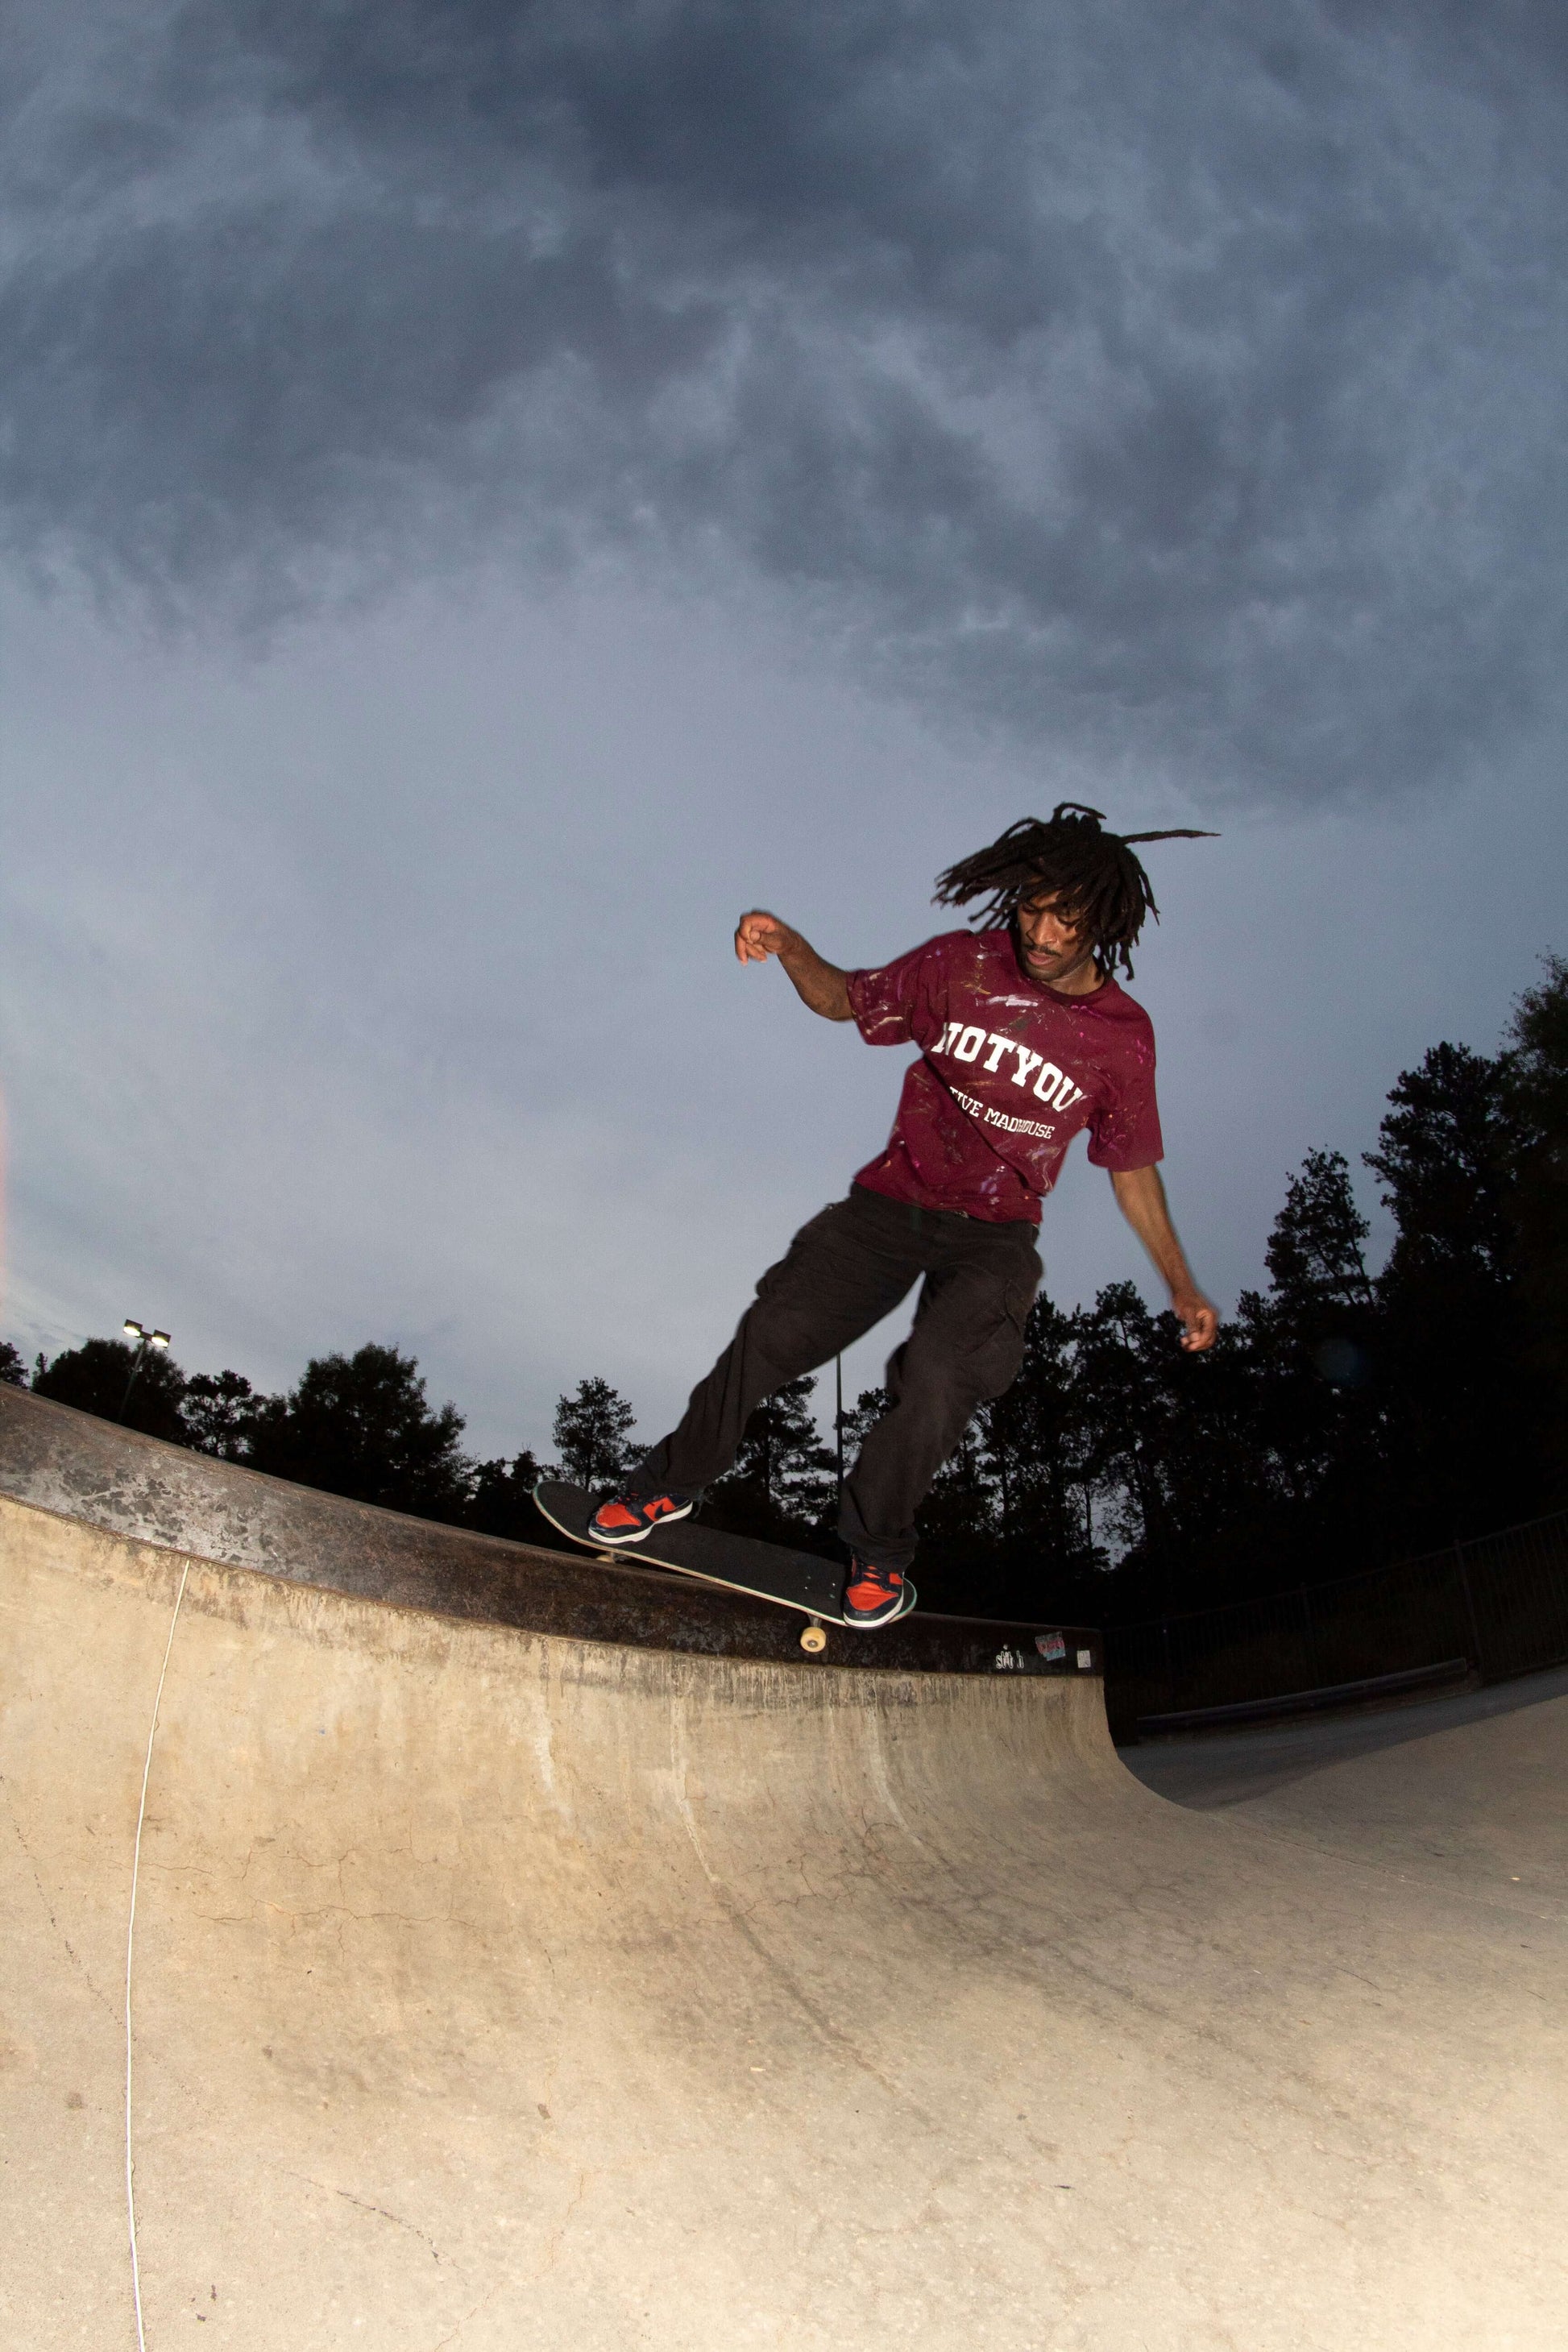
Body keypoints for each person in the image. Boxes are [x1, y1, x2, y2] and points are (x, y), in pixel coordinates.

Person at [591, 803, 1219, 1627]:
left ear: (1103, 922)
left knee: (936, 1373)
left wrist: (1181, 1284)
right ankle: (664, 1487)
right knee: (771, 1334)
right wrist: (787, 945)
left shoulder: (1121, 1040)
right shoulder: (957, 967)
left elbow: (1132, 1168)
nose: (1042, 934)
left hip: (994, 1235)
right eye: (1031, 909)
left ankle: (877, 1550)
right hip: (890, 1205)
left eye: (1067, 920)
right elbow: (843, 1001)